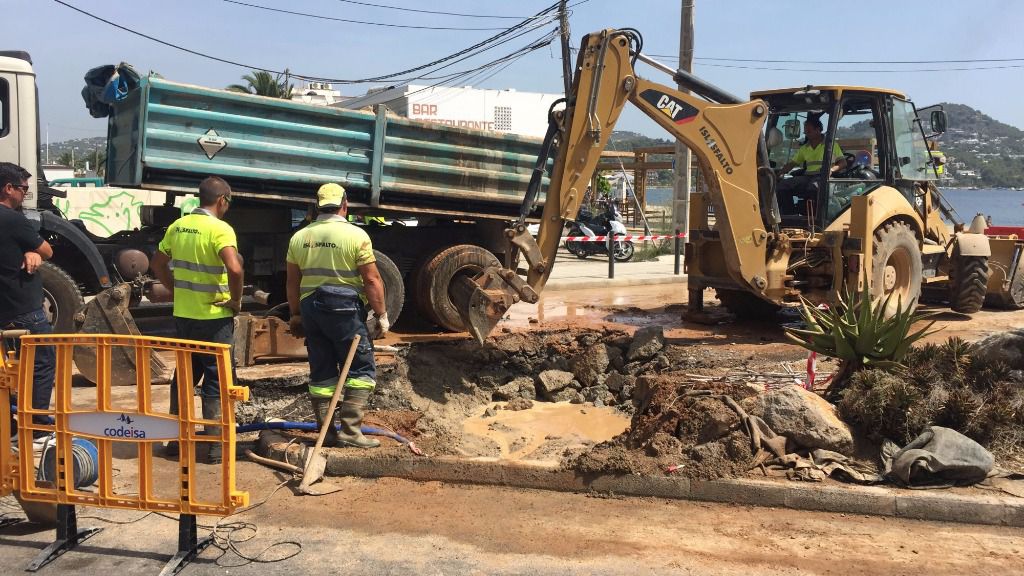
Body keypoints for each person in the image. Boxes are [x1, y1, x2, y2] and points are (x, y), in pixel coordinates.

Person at [286, 183, 388, 448]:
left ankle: (327, 432)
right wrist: (381, 315)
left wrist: (295, 314)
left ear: (318, 206)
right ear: (345, 204)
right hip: (344, 311)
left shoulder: (299, 237)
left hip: (311, 311)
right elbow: (372, 279)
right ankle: (351, 431)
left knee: (321, 372)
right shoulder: (356, 236)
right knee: (361, 367)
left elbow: (292, 282)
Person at [150, 176, 243, 464]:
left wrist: (174, 287)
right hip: (214, 317)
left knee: (185, 376)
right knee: (216, 379)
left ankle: (175, 442)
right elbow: (235, 269)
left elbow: (156, 263)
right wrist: (235, 301)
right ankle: (215, 446)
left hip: (185, 316)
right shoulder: (220, 229)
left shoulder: (178, 226)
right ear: (222, 200)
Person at [0, 162, 56, 447]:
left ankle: (10, 424)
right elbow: (47, 250)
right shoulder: (12, 219)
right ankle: (37, 428)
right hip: (23, 309)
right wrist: (32, 250)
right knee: (42, 364)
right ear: (8, 189)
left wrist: (24, 249)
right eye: (22, 189)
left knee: (8, 370)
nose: (24, 195)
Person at [780, 117, 847, 174]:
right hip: (807, 178)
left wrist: (831, 170)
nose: (806, 134)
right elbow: (792, 164)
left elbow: (843, 163)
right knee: (785, 185)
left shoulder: (831, 145)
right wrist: (780, 172)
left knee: (812, 187)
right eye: (805, 132)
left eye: (809, 131)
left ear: (817, 130)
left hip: (822, 179)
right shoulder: (804, 148)